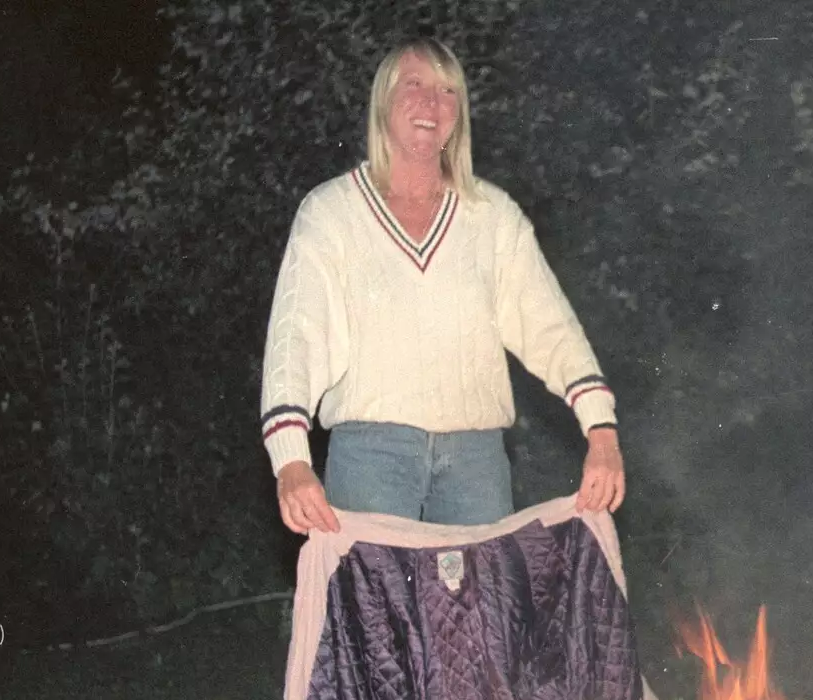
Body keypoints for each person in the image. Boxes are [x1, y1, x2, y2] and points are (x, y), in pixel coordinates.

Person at [259, 38, 626, 534]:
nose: (432, 103)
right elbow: (295, 341)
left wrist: (601, 432)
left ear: (459, 115)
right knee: (376, 612)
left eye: (448, 90)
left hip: (476, 465)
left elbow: (552, 328)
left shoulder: (493, 217)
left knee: (481, 613)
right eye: (415, 85)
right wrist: (291, 461)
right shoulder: (330, 212)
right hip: (371, 457)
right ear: (383, 101)